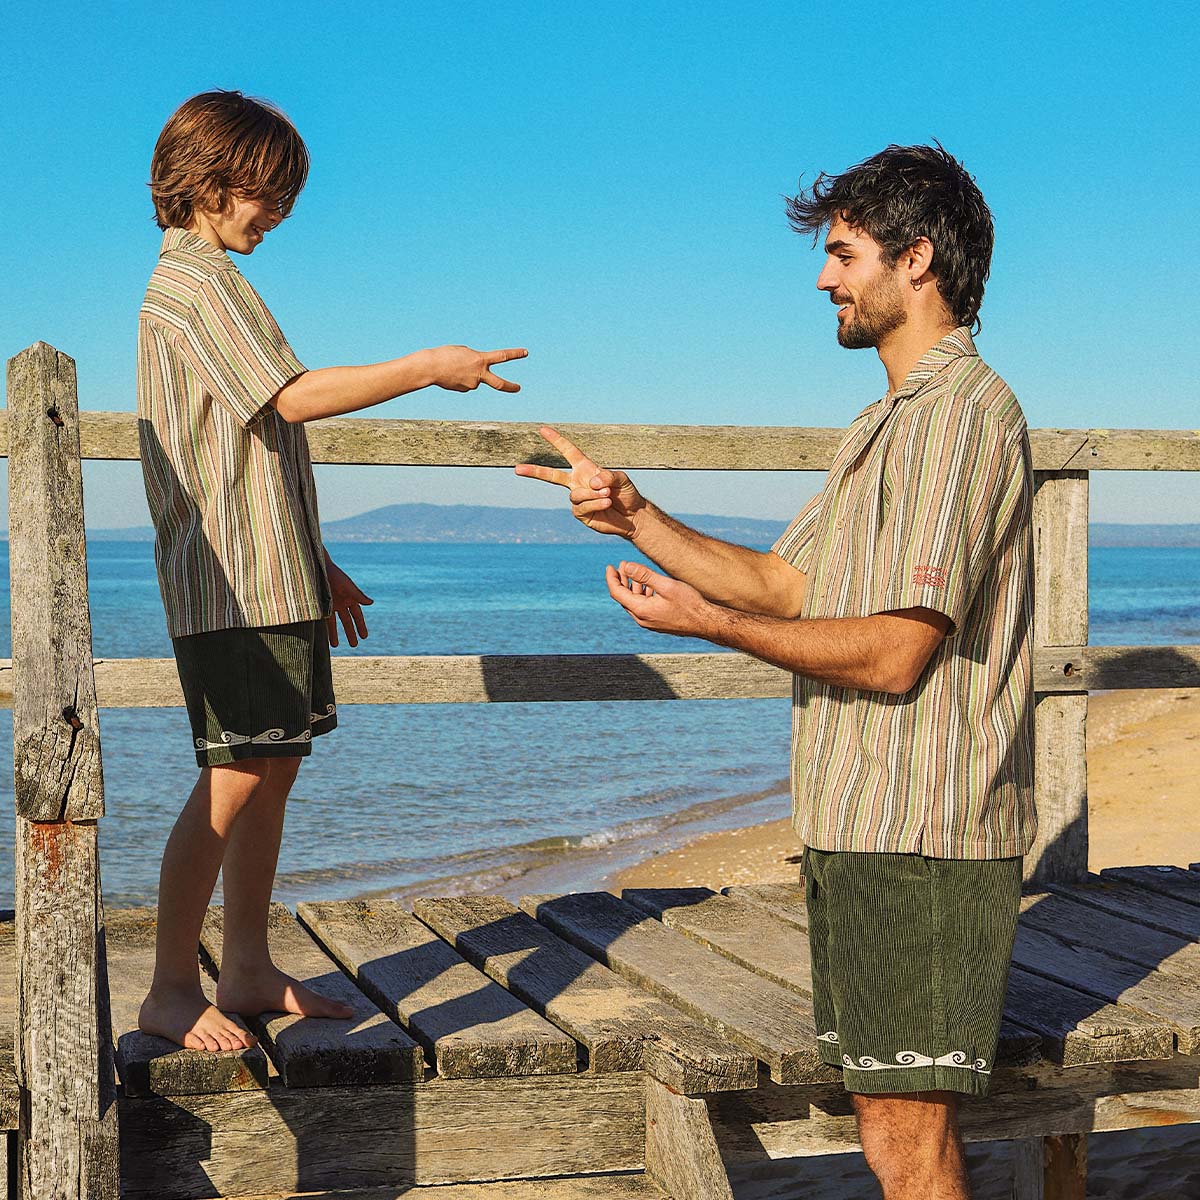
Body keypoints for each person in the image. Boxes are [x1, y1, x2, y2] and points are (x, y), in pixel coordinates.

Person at [517, 143, 1032, 1200]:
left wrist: (708, 625)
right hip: (861, 822)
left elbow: (894, 655)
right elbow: (791, 585)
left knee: (911, 1136)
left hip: (922, 831)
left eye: (842, 254)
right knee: (889, 1126)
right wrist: (637, 516)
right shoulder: (884, 428)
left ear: (918, 259)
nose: (822, 278)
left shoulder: (961, 421)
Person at [137, 89, 526, 1053]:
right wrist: (428, 364)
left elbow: (248, 446)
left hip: (272, 573)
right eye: (266, 195)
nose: (277, 215)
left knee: (271, 769)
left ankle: (247, 966)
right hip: (230, 584)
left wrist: (319, 560)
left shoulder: (214, 283)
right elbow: (295, 397)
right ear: (210, 183)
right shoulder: (194, 286)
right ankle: (166, 990)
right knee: (233, 775)